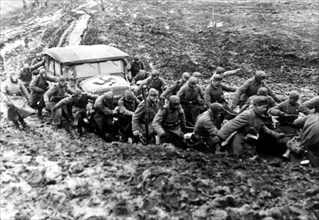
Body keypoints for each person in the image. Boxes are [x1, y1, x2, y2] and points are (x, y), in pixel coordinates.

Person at [214, 96, 285, 156]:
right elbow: (231, 125)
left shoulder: (258, 116)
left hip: (250, 143)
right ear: (257, 106)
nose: (265, 109)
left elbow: (263, 128)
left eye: (266, 107)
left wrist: (276, 135)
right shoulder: (247, 114)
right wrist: (219, 137)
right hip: (240, 144)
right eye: (263, 107)